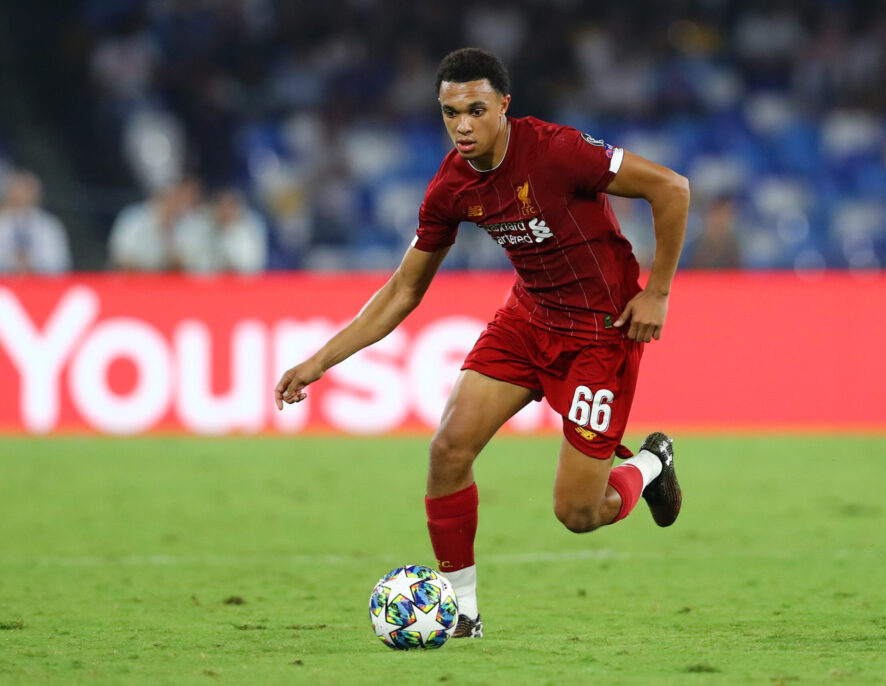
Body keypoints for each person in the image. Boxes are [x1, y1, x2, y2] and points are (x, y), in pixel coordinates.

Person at [274, 48, 690, 638]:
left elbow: (672, 188)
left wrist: (659, 293)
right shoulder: (450, 186)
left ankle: (651, 463)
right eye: (449, 113)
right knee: (447, 450)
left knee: (577, 513)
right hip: (530, 320)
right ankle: (463, 613)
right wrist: (319, 361)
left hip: (603, 331)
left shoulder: (557, 150)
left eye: (475, 110)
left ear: (503, 106)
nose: (462, 125)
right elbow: (402, 290)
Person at [0, 171, 73, 274]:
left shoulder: (50, 225)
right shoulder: (3, 223)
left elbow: (61, 263)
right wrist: (11, 263)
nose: (22, 196)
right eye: (17, 190)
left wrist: (34, 264)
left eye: (26, 191)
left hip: (42, 285)